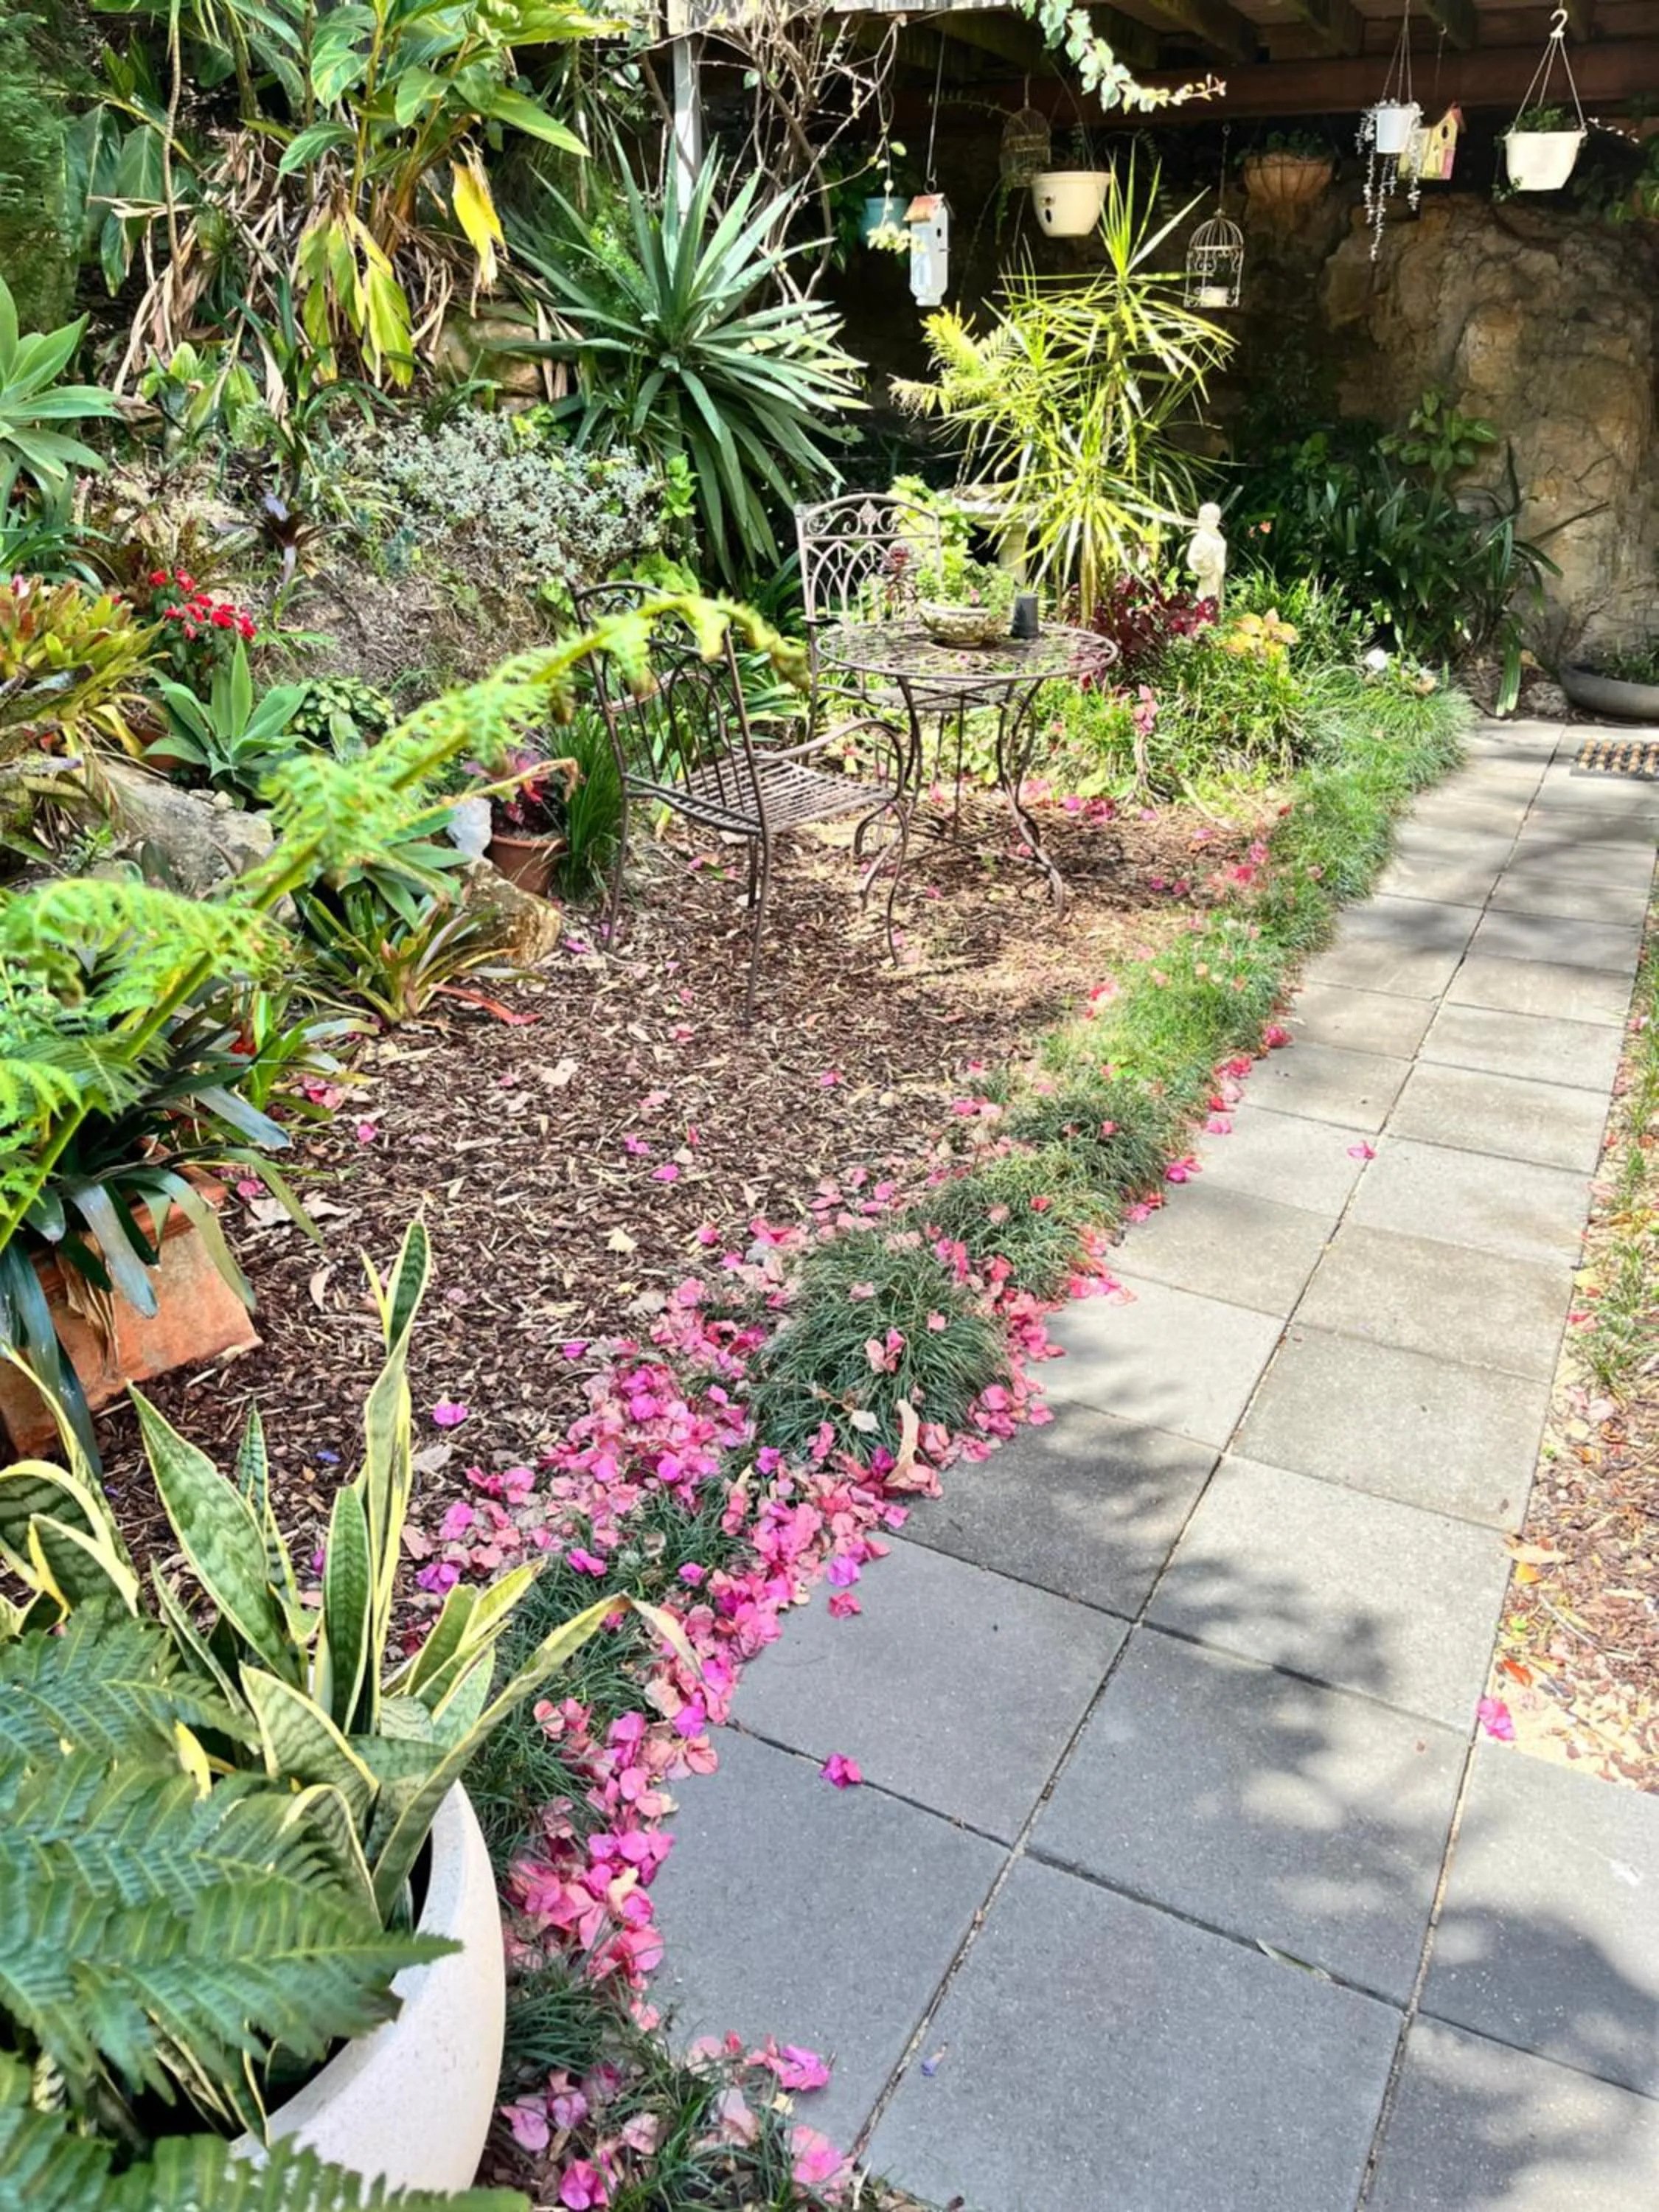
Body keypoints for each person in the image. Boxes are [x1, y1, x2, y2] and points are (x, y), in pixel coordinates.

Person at [1185, 501, 1227, 606]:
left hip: (1218, 576)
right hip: (1208, 575)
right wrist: (1206, 567)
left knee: (1217, 601)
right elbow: (1194, 557)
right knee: (1206, 602)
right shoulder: (1201, 538)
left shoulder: (1217, 536)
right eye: (1201, 517)